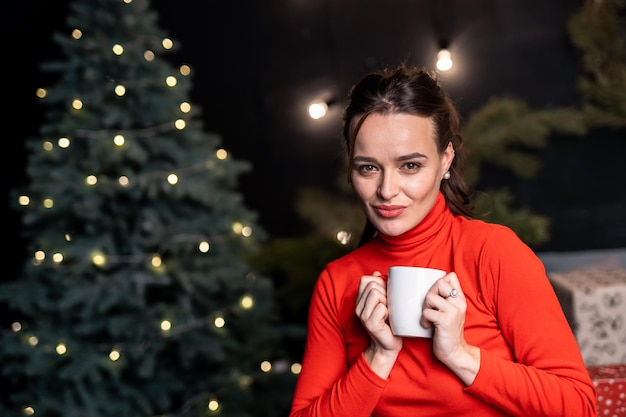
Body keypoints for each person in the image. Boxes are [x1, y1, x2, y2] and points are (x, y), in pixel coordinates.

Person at [288, 63, 596, 417]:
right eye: (368, 168)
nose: (387, 191)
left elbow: (579, 406)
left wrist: (461, 355)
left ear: (444, 160)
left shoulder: (493, 252)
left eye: (410, 166)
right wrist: (378, 356)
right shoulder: (337, 282)